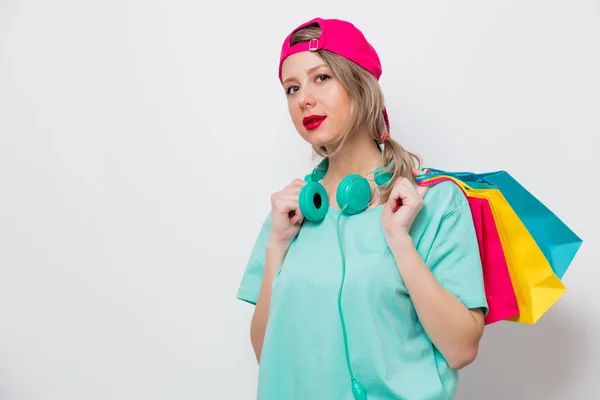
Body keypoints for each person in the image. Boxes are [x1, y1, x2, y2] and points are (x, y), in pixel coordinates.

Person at [236, 17, 488, 400]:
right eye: (292, 88)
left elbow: (461, 349)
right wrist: (276, 246)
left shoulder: (436, 202)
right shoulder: (290, 214)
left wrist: (399, 240)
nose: (303, 98)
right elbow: (265, 353)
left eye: (321, 78)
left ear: (359, 84)